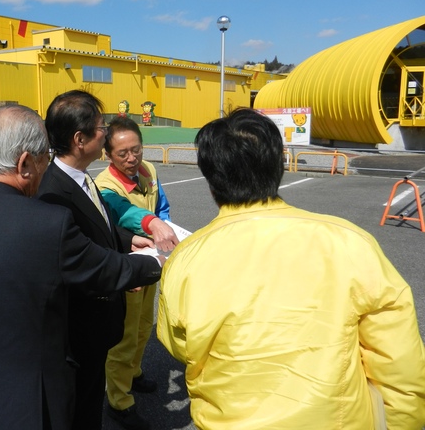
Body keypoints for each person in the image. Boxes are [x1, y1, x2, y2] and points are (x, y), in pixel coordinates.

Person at [157, 108, 425, 430]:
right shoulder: (349, 242)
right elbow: (398, 361)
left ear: (211, 181)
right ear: (280, 167)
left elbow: (178, 344)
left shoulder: (186, 259)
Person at [0, 105, 162, 430]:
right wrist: (158, 260)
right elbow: (105, 271)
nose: (48, 166)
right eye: (45, 157)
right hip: (28, 405)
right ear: (25, 163)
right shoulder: (48, 225)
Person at [37, 90, 162, 430]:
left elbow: (100, 226)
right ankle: (117, 408)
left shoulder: (78, 177)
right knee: (82, 408)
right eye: (99, 127)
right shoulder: (53, 193)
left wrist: (128, 239)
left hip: (97, 320)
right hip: (81, 329)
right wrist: (153, 264)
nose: (106, 132)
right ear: (80, 140)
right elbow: (81, 258)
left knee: (90, 398)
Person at [95, 116, 179, 430]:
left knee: (145, 326)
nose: (132, 159)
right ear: (107, 154)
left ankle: (134, 372)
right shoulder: (105, 185)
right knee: (124, 337)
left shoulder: (150, 171)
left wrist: (167, 227)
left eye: (137, 150)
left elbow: (162, 208)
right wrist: (153, 225)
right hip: (127, 271)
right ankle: (119, 402)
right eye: (123, 154)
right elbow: (123, 213)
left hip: (151, 263)